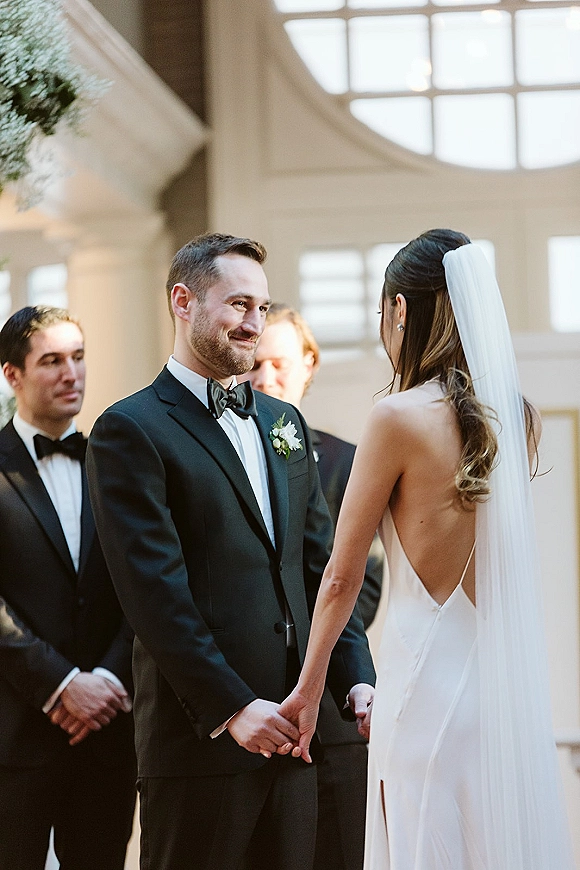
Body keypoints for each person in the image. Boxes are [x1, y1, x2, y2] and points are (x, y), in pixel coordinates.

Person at [281, 230, 574, 869]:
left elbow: (340, 576)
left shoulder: (397, 419)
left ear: (401, 312)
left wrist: (307, 691)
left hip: (420, 691)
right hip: (496, 692)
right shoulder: (516, 417)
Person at [86, 233, 376, 870]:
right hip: (202, 750)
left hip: (302, 740)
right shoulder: (129, 430)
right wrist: (233, 708)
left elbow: (323, 570)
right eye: (238, 305)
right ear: (183, 301)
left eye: (263, 308)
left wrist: (357, 678)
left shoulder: (284, 423)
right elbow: (153, 595)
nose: (254, 324)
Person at [247, 302, 384, 870]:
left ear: (309, 364)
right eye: (254, 365)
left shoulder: (352, 462)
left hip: (332, 705)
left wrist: (317, 650)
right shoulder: (228, 452)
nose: (264, 376)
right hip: (254, 705)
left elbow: (366, 584)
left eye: (277, 363)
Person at [0, 306, 136, 870]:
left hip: (109, 728)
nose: (71, 374)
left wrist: (106, 677)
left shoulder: (123, 465)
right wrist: (59, 684)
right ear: (12, 375)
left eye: (78, 358)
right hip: (15, 731)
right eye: (51, 361)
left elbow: (150, 582)